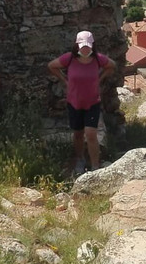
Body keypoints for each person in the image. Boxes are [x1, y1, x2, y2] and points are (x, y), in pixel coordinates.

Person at [48, 30, 116, 174]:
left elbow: (112, 66)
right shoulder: (69, 59)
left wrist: (100, 78)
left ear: (92, 45)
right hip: (74, 102)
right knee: (78, 134)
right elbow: (52, 66)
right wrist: (65, 81)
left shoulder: (98, 59)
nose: (85, 49)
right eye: (82, 46)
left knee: (91, 134)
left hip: (92, 102)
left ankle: (95, 166)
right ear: (77, 45)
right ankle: (80, 159)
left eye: (88, 46)